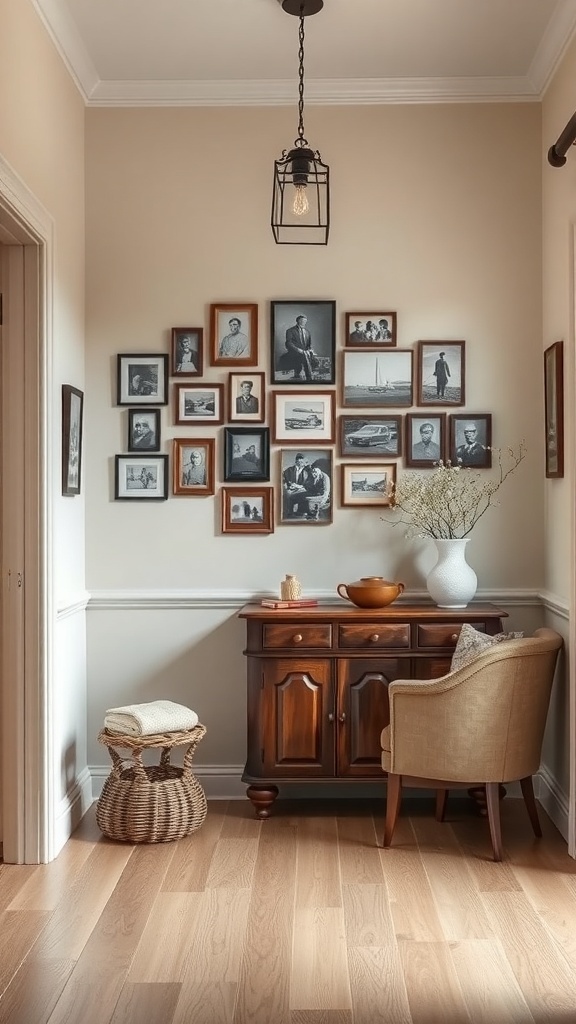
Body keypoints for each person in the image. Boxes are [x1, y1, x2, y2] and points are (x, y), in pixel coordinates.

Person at [282, 314, 318, 381]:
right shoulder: (290, 331)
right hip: (295, 352)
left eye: (305, 321)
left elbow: (309, 345)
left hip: (305, 352)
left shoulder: (307, 332)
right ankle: (309, 376)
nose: (303, 322)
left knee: (312, 357)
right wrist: (299, 350)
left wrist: (310, 350)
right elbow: (288, 343)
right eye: (302, 320)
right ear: (297, 321)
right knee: (305, 356)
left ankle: (309, 376)